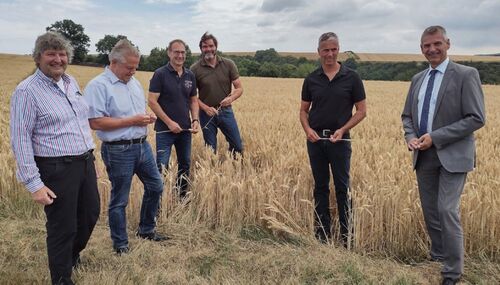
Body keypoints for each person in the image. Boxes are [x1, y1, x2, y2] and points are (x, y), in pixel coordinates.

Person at [10, 31, 100, 285]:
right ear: (38, 58)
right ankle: (61, 278)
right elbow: (20, 138)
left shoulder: (71, 82)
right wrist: (34, 184)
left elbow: (80, 122)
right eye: (51, 54)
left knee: (90, 215)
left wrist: (91, 157)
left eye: (62, 54)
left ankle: (70, 255)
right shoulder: (26, 91)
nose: (58, 59)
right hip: (56, 168)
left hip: (84, 162)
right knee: (63, 226)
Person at [401, 26, 485, 285]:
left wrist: (435, 137)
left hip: (453, 155)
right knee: (431, 211)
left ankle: (452, 272)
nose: (432, 49)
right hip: (423, 156)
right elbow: (407, 116)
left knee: (447, 210)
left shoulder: (466, 75)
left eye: (437, 43)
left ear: (448, 44)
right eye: (427, 45)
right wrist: (410, 137)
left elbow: (476, 118)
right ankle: (438, 256)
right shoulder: (418, 79)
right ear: (421, 48)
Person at [83, 39, 167, 254]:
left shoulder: (134, 83)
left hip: (142, 145)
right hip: (118, 150)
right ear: (114, 62)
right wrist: (132, 121)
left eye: (136, 66)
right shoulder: (98, 86)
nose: (134, 71)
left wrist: (146, 118)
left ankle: (146, 229)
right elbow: (95, 122)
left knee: (156, 186)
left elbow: (136, 114)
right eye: (130, 67)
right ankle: (120, 244)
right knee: (119, 199)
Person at [300, 32, 367, 245]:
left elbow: (361, 111)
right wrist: (307, 129)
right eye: (325, 50)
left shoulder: (352, 77)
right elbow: (303, 111)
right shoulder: (311, 79)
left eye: (333, 49)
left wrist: (342, 129)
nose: (330, 53)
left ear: (339, 50)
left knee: (342, 187)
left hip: (340, 141)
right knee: (320, 187)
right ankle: (321, 235)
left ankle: (348, 237)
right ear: (318, 52)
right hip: (316, 141)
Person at [148, 39, 199, 199]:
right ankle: (158, 204)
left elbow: (193, 100)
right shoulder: (160, 74)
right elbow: (152, 101)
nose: (180, 55)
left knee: (185, 165)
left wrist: (195, 120)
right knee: (162, 167)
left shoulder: (190, 75)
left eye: (183, 52)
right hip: (165, 130)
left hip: (185, 130)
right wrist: (169, 122)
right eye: (176, 52)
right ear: (169, 53)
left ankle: (181, 198)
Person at [190, 32, 244, 155]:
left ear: (216, 47)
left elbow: (239, 88)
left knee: (237, 146)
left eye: (210, 46)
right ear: (201, 49)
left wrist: (231, 99)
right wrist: (205, 108)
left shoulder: (228, 64)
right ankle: (211, 171)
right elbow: (191, 96)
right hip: (206, 114)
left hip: (226, 111)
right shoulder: (195, 69)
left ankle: (233, 169)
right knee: (210, 150)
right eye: (205, 46)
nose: (208, 49)